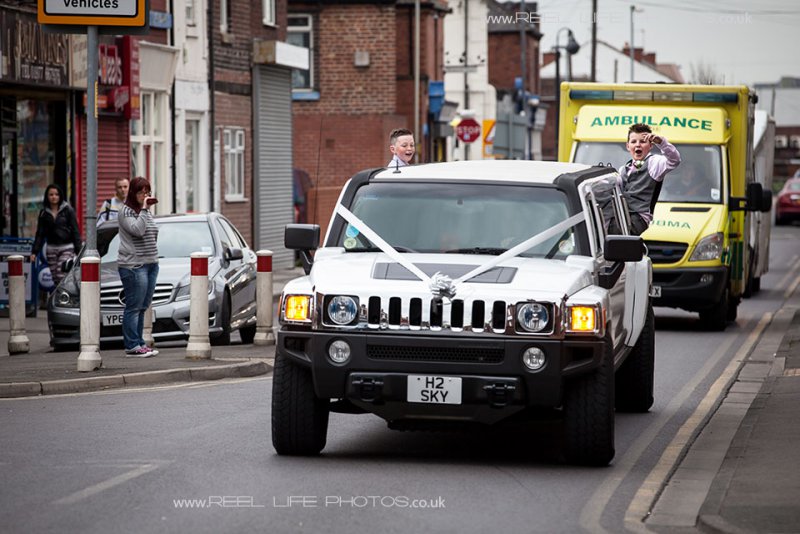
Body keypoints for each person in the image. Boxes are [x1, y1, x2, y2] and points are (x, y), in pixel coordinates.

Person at [117, 177, 160, 358]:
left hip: (151, 263)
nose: (145, 195)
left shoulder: (146, 212)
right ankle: (132, 345)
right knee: (133, 306)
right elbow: (138, 230)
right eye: (141, 192)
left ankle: (141, 343)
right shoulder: (126, 211)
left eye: (147, 192)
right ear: (134, 193)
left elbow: (152, 233)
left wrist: (145, 211)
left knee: (143, 306)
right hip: (134, 265)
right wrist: (144, 209)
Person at [618, 123, 681, 235]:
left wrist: (662, 143)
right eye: (633, 142)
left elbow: (674, 160)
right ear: (628, 146)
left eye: (642, 142)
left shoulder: (654, 163)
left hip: (639, 218)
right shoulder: (623, 169)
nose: (638, 145)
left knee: (614, 232)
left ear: (651, 146)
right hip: (623, 215)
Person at [29, 184, 82, 288]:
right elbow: (40, 233)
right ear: (47, 196)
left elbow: (75, 231)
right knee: (55, 277)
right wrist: (35, 251)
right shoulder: (43, 213)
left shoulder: (68, 210)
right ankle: (61, 296)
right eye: (51, 194)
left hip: (66, 247)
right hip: (51, 248)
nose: (54, 197)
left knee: (61, 273)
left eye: (56, 194)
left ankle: (64, 295)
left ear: (60, 196)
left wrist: (79, 250)